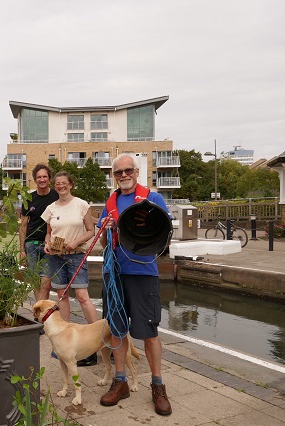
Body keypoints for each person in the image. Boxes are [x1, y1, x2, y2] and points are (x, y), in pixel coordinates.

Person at [97, 153, 172, 415]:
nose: (123, 175)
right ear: (114, 176)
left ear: (137, 171)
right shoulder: (110, 203)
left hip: (143, 274)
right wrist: (107, 229)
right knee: (117, 330)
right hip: (115, 275)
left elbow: (165, 237)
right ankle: (121, 382)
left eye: (128, 170)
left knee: (149, 333)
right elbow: (104, 245)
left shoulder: (154, 198)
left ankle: (158, 385)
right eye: (118, 172)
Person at [41, 171, 98, 366]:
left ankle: (97, 338)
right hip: (57, 257)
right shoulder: (50, 208)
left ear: (71, 184)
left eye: (64, 183)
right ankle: (64, 340)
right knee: (62, 296)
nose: (61, 186)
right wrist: (47, 244)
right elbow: (48, 234)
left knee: (82, 296)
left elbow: (91, 231)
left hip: (76, 255)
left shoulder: (81, 205)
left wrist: (75, 243)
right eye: (57, 183)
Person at [19, 163, 59, 301]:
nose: (42, 179)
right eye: (39, 177)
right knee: (35, 282)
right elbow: (23, 225)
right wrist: (21, 249)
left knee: (46, 283)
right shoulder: (28, 198)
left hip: (49, 245)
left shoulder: (57, 195)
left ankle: (43, 311)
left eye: (44, 176)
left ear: (49, 179)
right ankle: (40, 313)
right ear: (35, 179)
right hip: (31, 244)